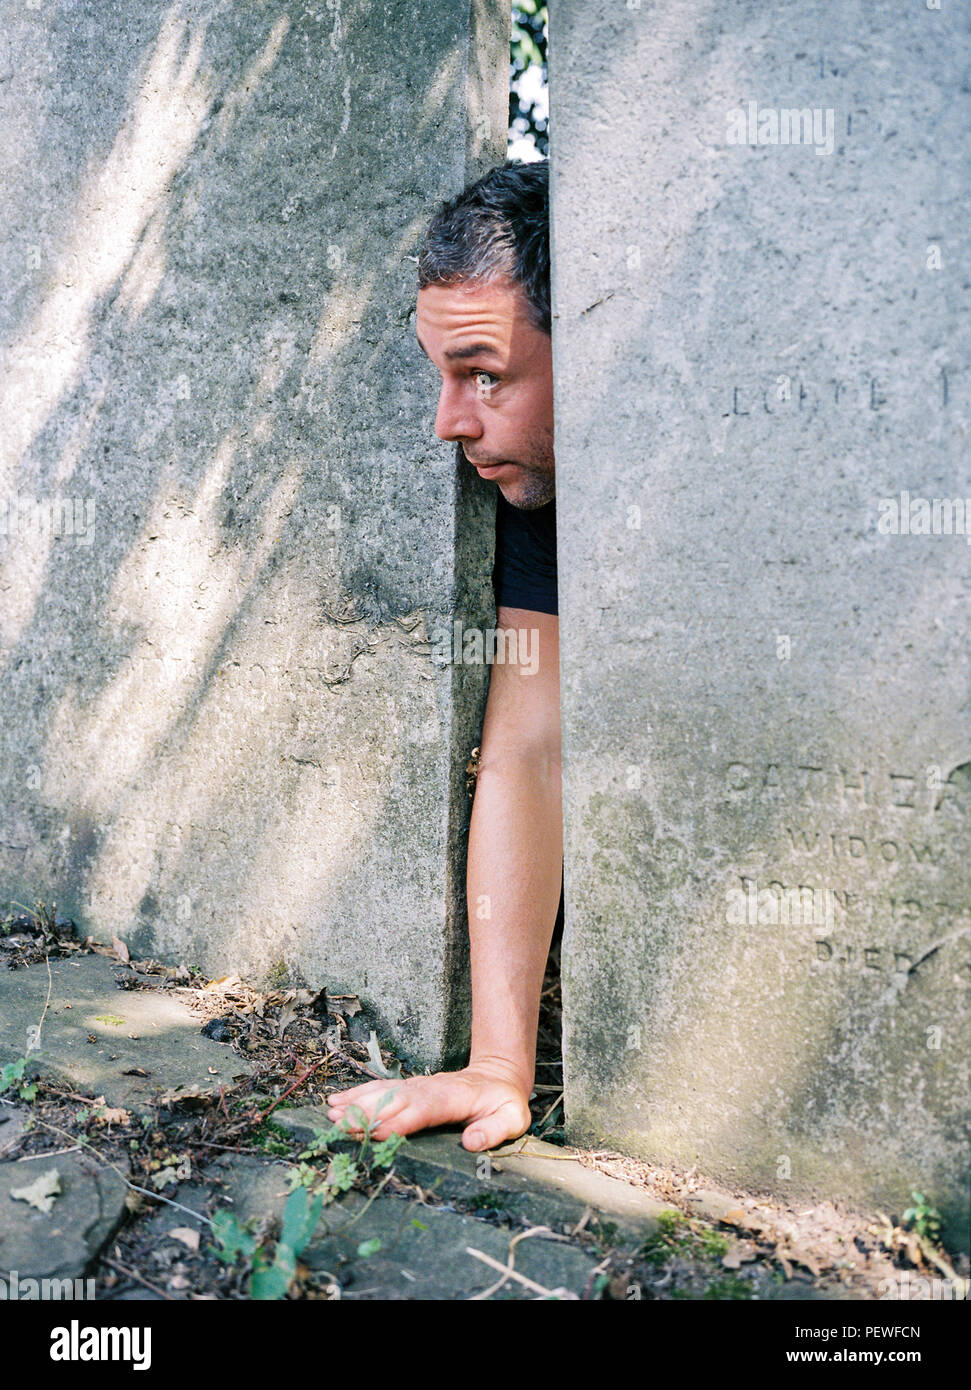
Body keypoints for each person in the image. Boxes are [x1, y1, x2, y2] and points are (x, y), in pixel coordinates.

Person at [325, 161, 561, 1152]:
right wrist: (498, 1064)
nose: (448, 423)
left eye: (484, 374)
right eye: (441, 375)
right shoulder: (529, 496)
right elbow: (526, 752)